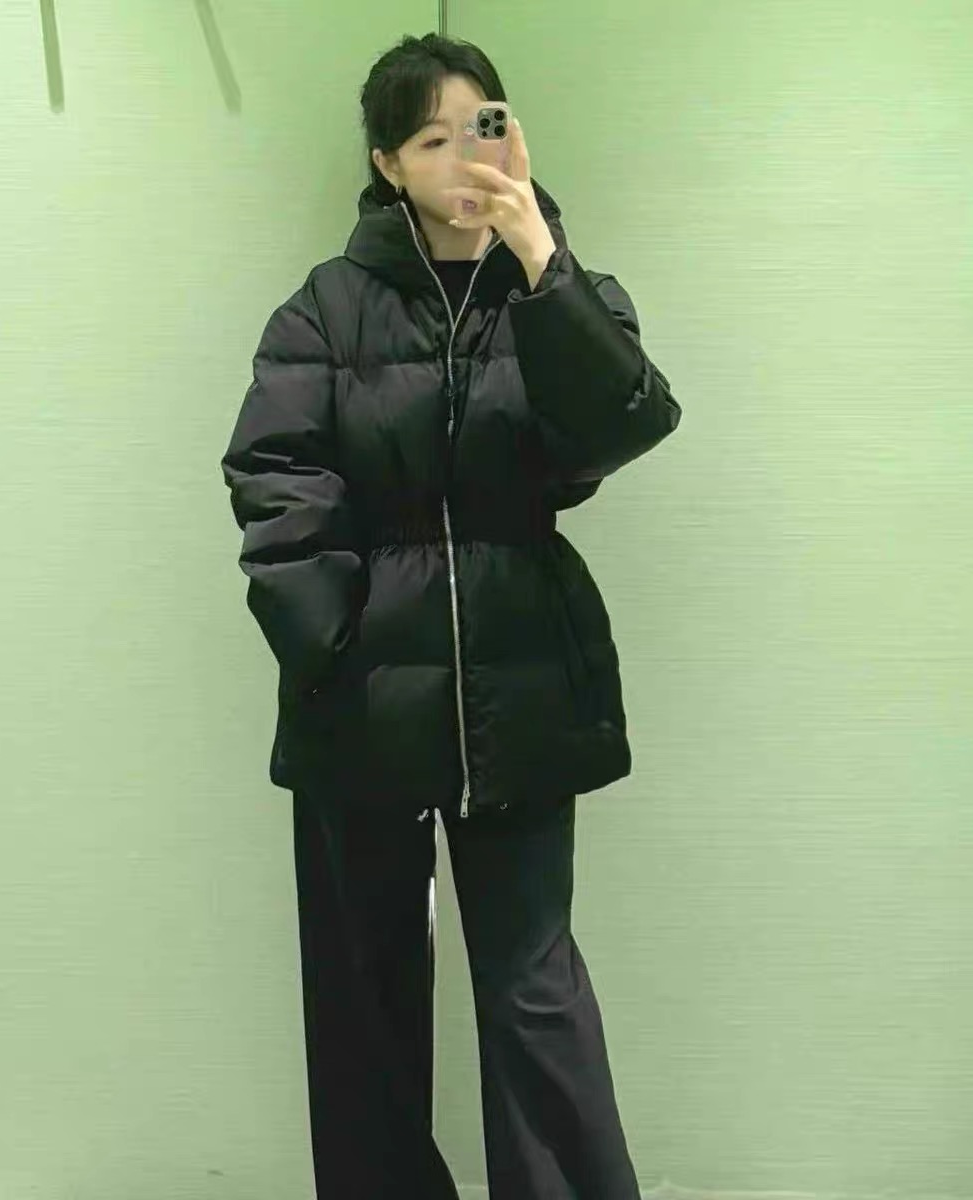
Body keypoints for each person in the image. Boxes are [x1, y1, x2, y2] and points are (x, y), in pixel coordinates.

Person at [219, 30, 682, 1200]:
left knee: (534, 984)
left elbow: (626, 421)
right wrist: (335, 642)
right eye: (431, 139)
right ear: (388, 163)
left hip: (523, 686)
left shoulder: (555, 289)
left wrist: (542, 257)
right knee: (366, 994)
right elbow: (274, 478)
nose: (462, 157)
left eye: (482, 127)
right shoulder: (325, 310)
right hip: (362, 700)